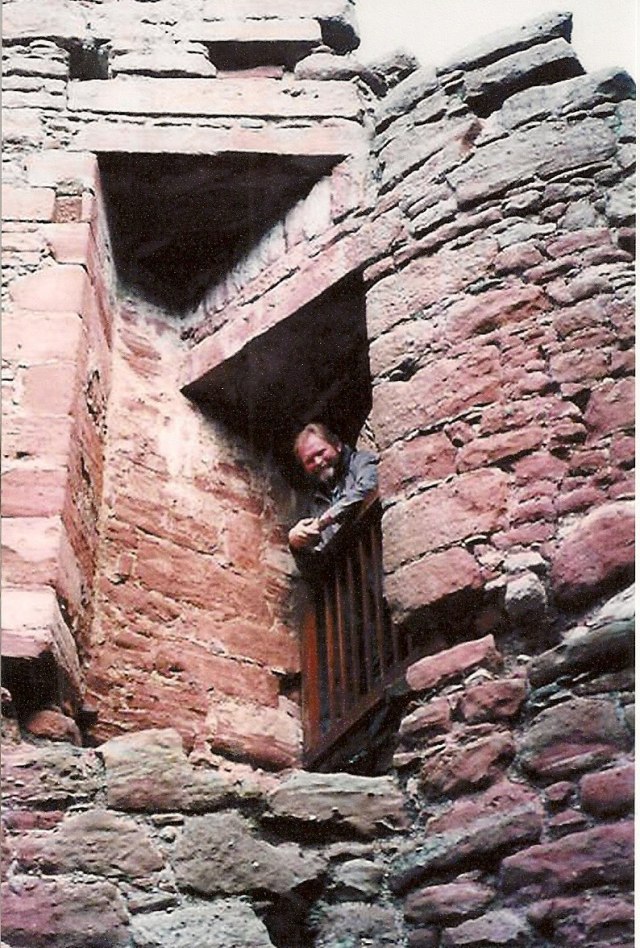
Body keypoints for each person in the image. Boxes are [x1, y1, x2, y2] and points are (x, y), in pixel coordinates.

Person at [288, 422, 378, 574]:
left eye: (320, 452)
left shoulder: (361, 462)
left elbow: (366, 488)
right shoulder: (316, 503)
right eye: (309, 460)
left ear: (337, 445)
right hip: (354, 582)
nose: (318, 461)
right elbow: (311, 565)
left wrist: (325, 520)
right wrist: (296, 544)